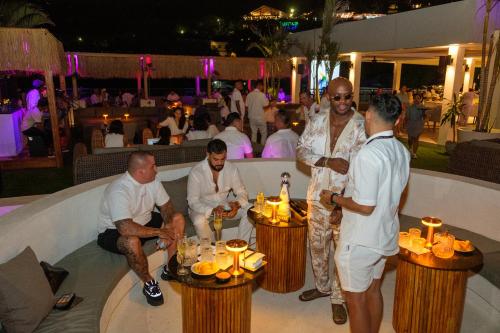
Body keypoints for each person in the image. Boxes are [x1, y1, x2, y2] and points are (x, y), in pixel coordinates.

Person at [321, 94, 410, 333]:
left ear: (369, 116)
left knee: (355, 300)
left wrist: (333, 199)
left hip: (361, 241)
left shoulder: (368, 154)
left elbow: (365, 205)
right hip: (385, 234)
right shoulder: (402, 151)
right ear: (397, 120)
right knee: (373, 290)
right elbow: (394, 195)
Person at [296, 77, 366, 325]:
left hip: (345, 202)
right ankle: (322, 287)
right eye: (337, 97)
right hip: (316, 197)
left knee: (342, 252)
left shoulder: (361, 126)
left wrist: (340, 204)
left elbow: (360, 171)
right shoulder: (317, 120)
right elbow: (300, 151)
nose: (343, 102)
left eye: (347, 96)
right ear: (328, 95)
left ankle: (338, 298)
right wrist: (327, 161)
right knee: (317, 247)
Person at [97, 151, 185, 306]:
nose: (156, 169)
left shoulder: (153, 181)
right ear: (140, 171)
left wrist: (168, 227)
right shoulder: (118, 190)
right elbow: (125, 227)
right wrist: (160, 232)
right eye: (153, 166)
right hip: (113, 231)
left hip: (145, 221)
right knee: (131, 241)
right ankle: (149, 283)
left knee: (177, 218)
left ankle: (171, 267)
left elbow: (167, 208)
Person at [187, 139, 252, 241]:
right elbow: (192, 201)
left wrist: (237, 205)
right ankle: (211, 251)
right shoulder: (196, 172)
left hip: (223, 206)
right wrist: (212, 210)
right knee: (199, 221)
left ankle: (241, 246)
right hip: (202, 208)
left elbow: (241, 192)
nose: (220, 163)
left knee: (250, 209)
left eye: (222, 159)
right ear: (208, 154)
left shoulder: (231, 169)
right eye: (216, 159)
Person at [246, 81, 269, 145]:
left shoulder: (249, 95)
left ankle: (254, 148)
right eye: (262, 86)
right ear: (259, 85)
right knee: (264, 133)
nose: (262, 87)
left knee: (254, 133)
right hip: (260, 117)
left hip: (251, 117)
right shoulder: (262, 95)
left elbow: (247, 106)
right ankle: (262, 148)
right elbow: (266, 105)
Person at [406, 93, 426, 158]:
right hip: (410, 124)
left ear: (420, 99)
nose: (416, 100)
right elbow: (407, 116)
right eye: (415, 98)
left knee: (416, 138)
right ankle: (410, 148)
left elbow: (425, 117)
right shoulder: (410, 107)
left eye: (418, 98)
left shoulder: (423, 107)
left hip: (418, 124)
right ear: (413, 99)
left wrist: (424, 113)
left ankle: (414, 153)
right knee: (410, 139)